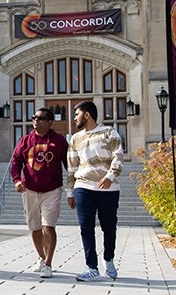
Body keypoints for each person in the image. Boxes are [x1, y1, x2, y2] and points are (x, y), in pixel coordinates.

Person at [67, 101, 124, 282]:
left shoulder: (109, 132)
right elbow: (71, 167)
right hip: (83, 186)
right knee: (86, 227)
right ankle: (91, 267)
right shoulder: (75, 139)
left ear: (87, 115)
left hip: (108, 187)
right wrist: (70, 191)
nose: (74, 118)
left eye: (77, 114)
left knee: (109, 227)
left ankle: (109, 259)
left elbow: (118, 156)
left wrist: (110, 176)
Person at [10, 107, 69, 279]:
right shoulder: (25, 141)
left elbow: (69, 164)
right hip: (29, 189)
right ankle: (41, 258)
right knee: (34, 227)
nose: (36, 121)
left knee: (48, 226)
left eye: (41, 118)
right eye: (34, 117)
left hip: (52, 189)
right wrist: (17, 180)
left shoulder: (59, 141)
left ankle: (48, 264)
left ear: (50, 121)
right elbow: (15, 162)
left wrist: (73, 188)